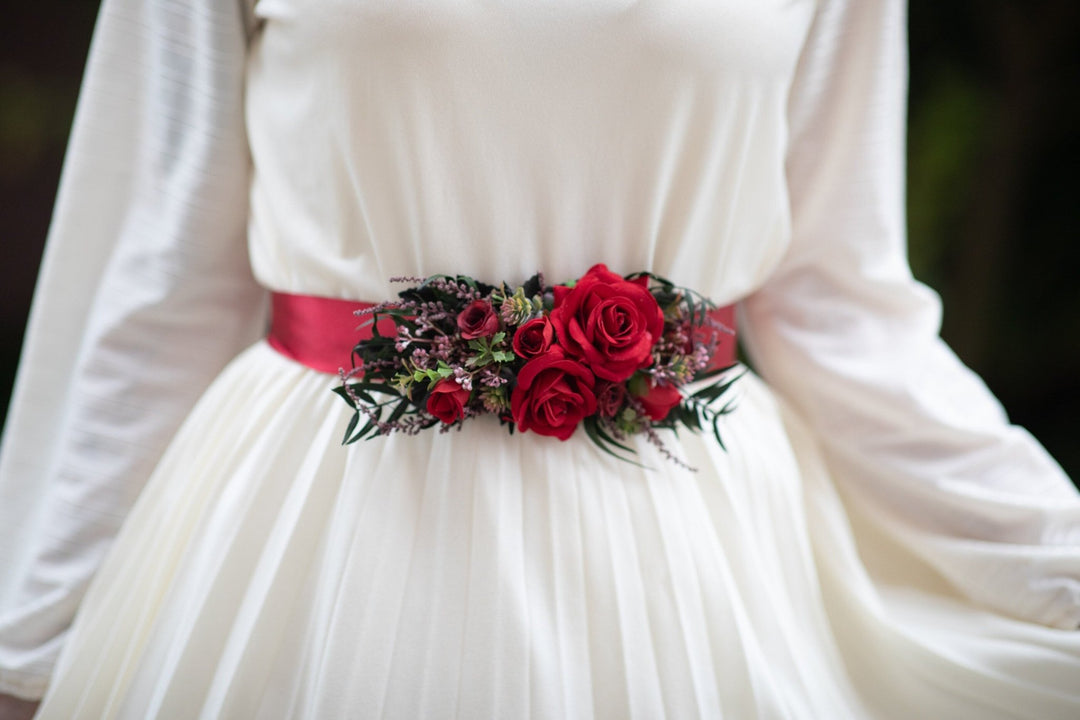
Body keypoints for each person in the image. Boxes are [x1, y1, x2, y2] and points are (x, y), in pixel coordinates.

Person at [1, 0, 1078, 717]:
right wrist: (30, 646)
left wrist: (1054, 557)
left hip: (693, 566)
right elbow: (161, 272)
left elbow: (844, 309)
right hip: (314, 538)